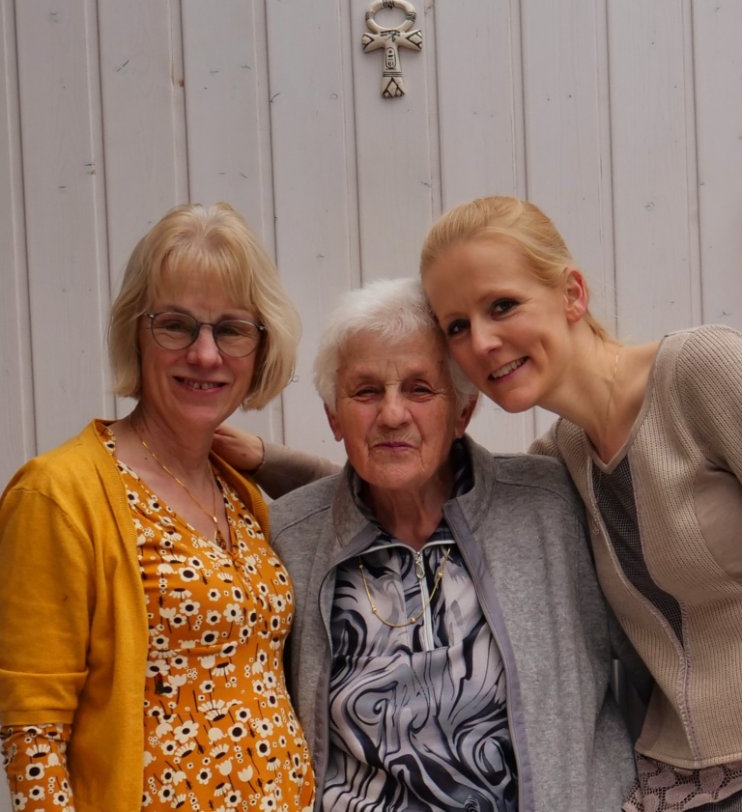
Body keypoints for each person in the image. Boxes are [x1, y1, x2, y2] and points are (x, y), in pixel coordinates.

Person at [235, 276, 635, 811]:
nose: (392, 414)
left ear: (463, 411)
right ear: (334, 416)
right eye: (366, 391)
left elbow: (656, 651)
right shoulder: (290, 537)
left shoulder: (550, 507)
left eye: (420, 389)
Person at [419, 194, 742, 812]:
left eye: (502, 305)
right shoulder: (558, 461)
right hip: (676, 782)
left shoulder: (700, 371)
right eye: (456, 326)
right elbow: (420, 495)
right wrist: (267, 461)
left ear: (572, 294)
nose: (481, 341)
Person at [0, 202, 315, 812]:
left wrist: (268, 458)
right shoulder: (58, 494)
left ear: (261, 346)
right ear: (136, 333)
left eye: (231, 329)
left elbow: (374, 496)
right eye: (176, 325)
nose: (205, 354)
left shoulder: (239, 492)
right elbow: (32, 739)